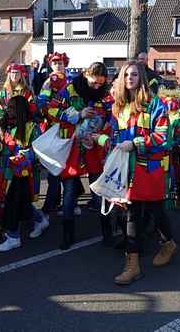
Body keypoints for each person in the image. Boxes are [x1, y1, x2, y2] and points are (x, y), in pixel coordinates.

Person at [107, 61, 176, 285]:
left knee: (156, 211)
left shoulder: (155, 104)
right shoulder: (118, 106)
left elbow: (163, 138)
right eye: (126, 74)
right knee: (132, 214)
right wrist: (99, 141)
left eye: (134, 74)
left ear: (141, 78)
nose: (130, 78)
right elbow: (115, 136)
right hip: (128, 168)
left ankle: (169, 243)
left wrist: (135, 144)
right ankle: (132, 264)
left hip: (151, 167)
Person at [37, 51, 83, 250]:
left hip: (73, 136)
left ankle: (68, 207)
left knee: (70, 174)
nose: (57, 65)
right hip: (54, 132)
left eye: (60, 62)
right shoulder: (47, 83)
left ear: (65, 63)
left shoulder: (73, 83)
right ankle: (47, 211)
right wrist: (46, 92)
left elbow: (81, 105)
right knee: (55, 174)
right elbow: (42, 107)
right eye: (54, 62)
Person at [68, 62, 114, 245]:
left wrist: (101, 134)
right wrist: (77, 115)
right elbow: (51, 110)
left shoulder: (107, 94)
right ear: (86, 75)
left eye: (100, 84)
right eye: (93, 82)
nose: (97, 86)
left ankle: (107, 233)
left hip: (96, 148)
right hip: (72, 147)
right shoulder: (71, 89)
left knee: (99, 189)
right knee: (70, 191)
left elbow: (114, 117)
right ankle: (67, 235)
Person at [0, 96, 47, 251]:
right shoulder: (6, 126)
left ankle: (13, 237)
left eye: (12, 108)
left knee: (12, 203)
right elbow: (4, 149)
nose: (8, 111)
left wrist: (24, 156)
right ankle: (40, 220)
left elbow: (38, 150)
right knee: (21, 203)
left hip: (25, 174)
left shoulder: (32, 127)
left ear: (21, 110)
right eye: (8, 108)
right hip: (9, 171)